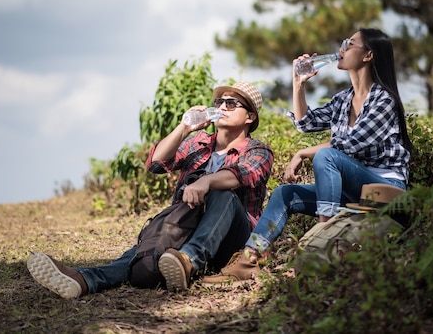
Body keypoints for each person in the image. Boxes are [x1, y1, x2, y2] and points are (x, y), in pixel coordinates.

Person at [202, 28, 412, 285]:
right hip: (354, 187)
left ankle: (321, 242)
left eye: (350, 43)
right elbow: (305, 123)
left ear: (368, 55)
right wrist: (298, 84)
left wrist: (304, 152)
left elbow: (352, 144)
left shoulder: (384, 100)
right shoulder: (343, 100)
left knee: (327, 156)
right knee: (284, 194)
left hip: (385, 189)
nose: (342, 47)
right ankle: (249, 259)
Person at [27, 81, 274, 298]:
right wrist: (184, 128)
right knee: (139, 255)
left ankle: (190, 260)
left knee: (224, 194)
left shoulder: (258, 151)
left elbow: (242, 175)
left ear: (250, 117)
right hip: (190, 227)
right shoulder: (198, 143)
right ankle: (84, 280)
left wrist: (206, 181)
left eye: (231, 104)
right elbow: (156, 163)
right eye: (219, 102)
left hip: (232, 241)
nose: (221, 107)